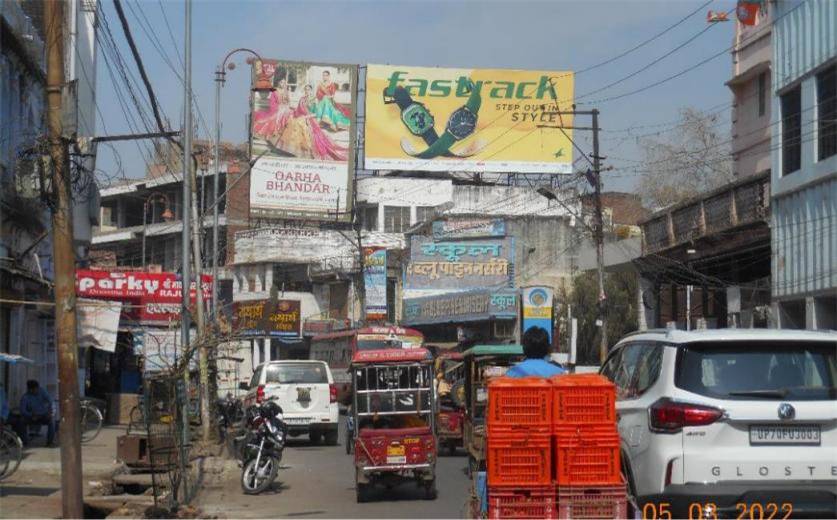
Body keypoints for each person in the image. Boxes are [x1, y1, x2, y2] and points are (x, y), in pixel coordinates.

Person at [19, 380, 55, 446]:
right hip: (32, 417)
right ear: (30, 389)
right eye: (34, 389)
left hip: (43, 415)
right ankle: (24, 442)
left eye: (37, 388)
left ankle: (50, 442)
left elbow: (51, 401)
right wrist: (31, 415)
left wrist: (51, 412)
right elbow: (22, 410)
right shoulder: (25, 397)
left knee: (52, 421)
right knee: (21, 422)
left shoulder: (42, 391)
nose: (36, 390)